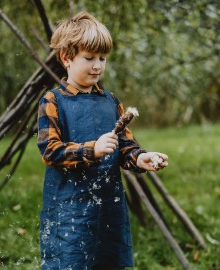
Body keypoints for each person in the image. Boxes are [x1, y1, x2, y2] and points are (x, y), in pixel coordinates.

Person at [37, 11, 168, 270]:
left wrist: (141, 158)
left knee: (108, 260)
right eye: (89, 58)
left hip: (108, 207)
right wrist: (91, 150)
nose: (97, 65)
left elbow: (125, 148)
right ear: (67, 58)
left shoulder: (111, 102)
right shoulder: (53, 101)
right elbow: (50, 152)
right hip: (69, 209)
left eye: (102, 58)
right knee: (69, 262)